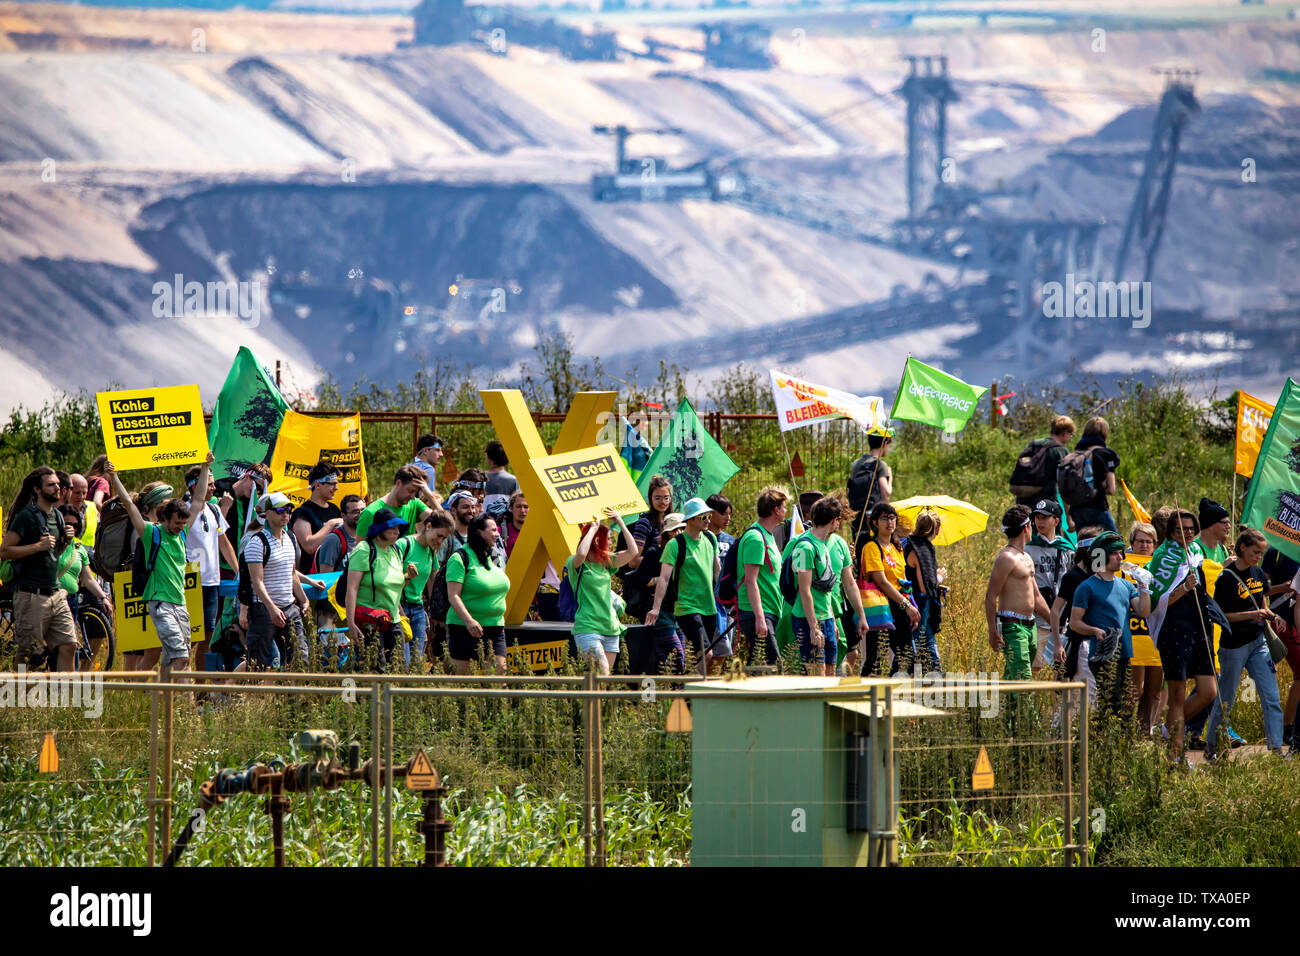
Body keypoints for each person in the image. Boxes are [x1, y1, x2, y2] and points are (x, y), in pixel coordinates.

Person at [107, 453, 216, 681]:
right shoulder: (151, 533)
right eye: (176, 524)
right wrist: (114, 477)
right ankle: (185, 708)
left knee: (169, 660)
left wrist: (206, 467)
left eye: (183, 524)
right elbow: (128, 504)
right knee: (181, 658)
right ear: (164, 518)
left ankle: (162, 705)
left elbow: (197, 501)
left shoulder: (182, 533)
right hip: (160, 604)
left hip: (181, 604)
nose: (180, 528)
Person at [1204, 529, 1287, 759]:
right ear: (1242, 548)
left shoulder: (1258, 573)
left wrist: (1273, 617)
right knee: (1226, 698)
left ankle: (1277, 749)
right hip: (1233, 646)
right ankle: (1212, 746)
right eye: (1255, 552)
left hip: (1258, 642)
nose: (1258, 556)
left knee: (1271, 695)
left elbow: (1264, 604)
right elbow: (1222, 615)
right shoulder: (1226, 578)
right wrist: (1251, 614)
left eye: (1261, 553)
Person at [1150, 509, 1219, 762]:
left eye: (1190, 528)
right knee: (1177, 695)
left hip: (1200, 629)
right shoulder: (1162, 557)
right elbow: (1156, 602)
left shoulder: (1197, 553)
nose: (1187, 533)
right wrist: (1183, 588)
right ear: (1171, 531)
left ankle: (1166, 730)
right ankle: (1174, 758)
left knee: (1208, 691)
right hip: (1174, 629)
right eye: (1181, 529)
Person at [1, 468, 76, 670]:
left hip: (56, 593)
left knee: (69, 645)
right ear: (37, 489)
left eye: (58, 485)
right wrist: (37, 546)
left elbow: (53, 555)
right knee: (28, 653)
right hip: (30, 595)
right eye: (51, 485)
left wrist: (66, 542)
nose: (58, 488)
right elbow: (5, 551)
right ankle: (18, 696)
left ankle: (67, 698)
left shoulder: (58, 516)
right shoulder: (26, 516)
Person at [1068, 531, 1150, 714]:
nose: (1120, 557)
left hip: (1125, 652)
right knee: (1109, 705)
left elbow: (1143, 611)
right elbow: (1074, 622)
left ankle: (1119, 741)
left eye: (1121, 553)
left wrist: (1144, 587)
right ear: (1101, 555)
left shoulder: (1126, 585)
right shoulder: (1086, 587)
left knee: (1126, 704)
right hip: (1102, 654)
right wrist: (1094, 630)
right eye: (1115, 553)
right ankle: (1101, 741)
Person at [790, 497, 867, 677]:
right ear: (834, 521)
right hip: (807, 619)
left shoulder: (826, 544)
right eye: (839, 518)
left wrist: (831, 618)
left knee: (831, 673)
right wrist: (813, 627)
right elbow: (805, 590)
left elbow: (828, 591)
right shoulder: (804, 547)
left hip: (827, 618)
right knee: (817, 675)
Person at [646, 497, 723, 673]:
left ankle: (689, 689)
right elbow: (664, 578)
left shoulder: (710, 538)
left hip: (709, 608)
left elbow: (717, 571)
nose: (709, 520)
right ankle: (688, 692)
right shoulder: (675, 545)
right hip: (686, 607)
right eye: (704, 517)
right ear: (692, 519)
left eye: (709, 515)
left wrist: (728, 601)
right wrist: (656, 608)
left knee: (707, 657)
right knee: (706, 654)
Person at [242, 492, 315, 670]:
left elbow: (291, 574)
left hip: (289, 608)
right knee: (258, 663)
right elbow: (256, 582)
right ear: (266, 514)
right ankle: (243, 695)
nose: (286, 514)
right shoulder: (256, 543)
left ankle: (293, 697)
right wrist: (272, 609)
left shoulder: (290, 538)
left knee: (300, 659)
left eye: (289, 509)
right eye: (280, 510)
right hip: (263, 610)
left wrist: (304, 599)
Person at [567, 508, 638, 675]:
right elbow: (582, 553)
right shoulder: (576, 562)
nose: (610, 542)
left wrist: (620, 522)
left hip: (610, 628)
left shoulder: (606, 562)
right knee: (602, 673)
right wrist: (593, 527)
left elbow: (633, 552)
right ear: (597, 540)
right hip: (588, 627)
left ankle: (589, 702)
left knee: (601, 684)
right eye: (607, 538)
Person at [984, 505, 1051, 681]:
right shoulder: (1006, 558)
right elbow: (991, 595)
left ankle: (1009, 708)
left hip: (1031, 625)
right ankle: (1027, 710)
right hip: (1013, 626)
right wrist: (992, 630)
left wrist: (1055, 623)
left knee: (1013, 679)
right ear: (1026, 528)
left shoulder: (1026, 557)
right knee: (1023, 678)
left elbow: (1037, 597)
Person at [183, 462, 237, 673]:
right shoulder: (186, 510)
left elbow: (224, 543)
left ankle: (200, 692)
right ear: (196, 486)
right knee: (190, 640)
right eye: (210, 484)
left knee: (207, 638)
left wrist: (237, 570)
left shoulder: (214, 509)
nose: (214, 488)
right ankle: (179, 685)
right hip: (192, 581)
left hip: (212, 581)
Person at [856, 502, 920, 676]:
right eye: (884, 518)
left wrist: (911, 605)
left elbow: (904, 580)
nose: (889, 522)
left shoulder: (897, 547)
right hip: (879, 605)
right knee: (874, 659)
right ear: (875, 522)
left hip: (899, 604)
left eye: (892, 518)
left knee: (906, 656)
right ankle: (865, 696)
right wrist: (906, 605)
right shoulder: (871, 547)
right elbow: (881, 581)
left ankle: (892, 692)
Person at [345, 507, 411, 668]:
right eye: (392, 528)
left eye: (398, 528)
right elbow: (351, 588)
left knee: (397, 666)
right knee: (374, 666)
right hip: (369, 620)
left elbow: (394, 587)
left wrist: (408, 577)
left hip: (393, 619)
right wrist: (351, 623)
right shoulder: (364, 550)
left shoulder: (396, 550)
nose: (397, 532)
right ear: (380, 528)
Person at [445, 513, 511, 674]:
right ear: (478, 532)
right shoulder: (459, 558)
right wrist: (469, 621)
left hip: (494, 627)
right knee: (462, 679)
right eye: (493, 530)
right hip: (464, 627)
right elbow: (453, 595)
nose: (497, 534)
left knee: (499, 673)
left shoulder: (491, 557)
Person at [54, 505, 113, 666]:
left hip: (71, 600)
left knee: (69, 645)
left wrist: (103, 598)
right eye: (66, 524)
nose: (70, 528)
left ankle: (69, 686)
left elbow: (88, 579)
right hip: (50, 598)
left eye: (74, 525)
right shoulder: (50, 544)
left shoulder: (79, 549)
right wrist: (64, 543)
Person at [738, 487, 788, 667]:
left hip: (769, 610)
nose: (786, 511)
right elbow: (750, 581)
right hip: (757, 612)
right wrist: (760, 618)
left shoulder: (768, 536)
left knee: (758, 666)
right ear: (775, 510)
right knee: (774, 667)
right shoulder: (756, 538)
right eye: (784, 507)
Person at [1122, 522, 1164, 733]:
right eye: (1140, 541)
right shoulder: (1124, 565)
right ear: (1132, 543)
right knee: (1133, 691)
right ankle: (1126, 733)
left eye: (1149, 541)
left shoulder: (1162, 566)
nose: (1145, 545)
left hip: (1156, 636)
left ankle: (1145, 732)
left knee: (1154, 691)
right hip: (1133, 636)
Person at [397, 509, 453, 668]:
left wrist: (434, 612)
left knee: (417, 661)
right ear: (428, 526)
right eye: (439, 535)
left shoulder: (431, 550)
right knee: (403, 660)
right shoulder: (404, 544)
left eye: (445, 538)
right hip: (398, 607)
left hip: (418, 609)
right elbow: (389, 580)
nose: (440, 541)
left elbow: (433, 582)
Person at [1026, 499, 1074, 667]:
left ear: (1056, 520)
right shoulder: (1028, 547)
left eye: (1045, 517)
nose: (1040, 521)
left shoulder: (1067, 548)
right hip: (1037, 619)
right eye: (1037, 517)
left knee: (1060, 671)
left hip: (1062, 619)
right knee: (1035, 667)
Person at [903, 509, 944, 675]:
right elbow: (924, 586)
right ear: (937, 531)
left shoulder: (907, 543)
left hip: (909, 603)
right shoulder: (922, 549)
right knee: (921, 647)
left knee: (923, 645)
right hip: (920, 606)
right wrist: (939, 578)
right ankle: (935, 679)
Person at [1067, 417, 1120, 533]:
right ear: (1104, 434)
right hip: (1097, 507)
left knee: (1085, 546)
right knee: (1114, 545)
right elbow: (1111, 489)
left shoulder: (1075, 456)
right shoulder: (1105, 454)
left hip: (1077, 510)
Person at [290, 462, 344, 573]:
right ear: (318, 485)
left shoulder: (334, 509)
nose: (336, 488)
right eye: (332, 484)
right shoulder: (302, 512)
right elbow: (309, 546)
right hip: (313, 576)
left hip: (335, 571)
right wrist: (330, 524)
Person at [1012, 415, 1075, 508]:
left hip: (1023, 499)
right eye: (1071, 434)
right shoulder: (1060, 450)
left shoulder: (1034, 444)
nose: (1070, 438)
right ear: (1065, 433)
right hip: (1045, 504)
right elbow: (1065, 484)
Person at [847, 425, 896, 539]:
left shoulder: (856, 463)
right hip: (872, 516)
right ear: (884, 444)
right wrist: (890, 477)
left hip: (856, 515)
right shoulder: (880, 465)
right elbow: (886, 494)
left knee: (858, 545)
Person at [357, 465, 430, 539]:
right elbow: (361, 549)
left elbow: (440, 522)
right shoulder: (370, 513)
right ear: (398, 483)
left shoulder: (414, 504)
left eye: (416, 492)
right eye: (411, 491)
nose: (413, 496)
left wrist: (429, 495)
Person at [624, 475, 672, 571]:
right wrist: (663, 556)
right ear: (650, 498)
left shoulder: (673, 521)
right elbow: (633, 562)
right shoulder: (644, 523)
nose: (662, 502)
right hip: (648, 581)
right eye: (657, 498)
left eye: (666, 498)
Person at [706, 493, 735, 635]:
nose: (728, 518)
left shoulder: (731, 541)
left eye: (730, 514)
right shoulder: (700, 538)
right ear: (710, 513)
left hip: (726, 598)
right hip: (706, 598)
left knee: (725, 645)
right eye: (723, 514)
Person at [315, 494, 363, 573]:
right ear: (343, 516)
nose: (361, 515)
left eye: (363, 510)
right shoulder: (333, 540)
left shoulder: (368, 536)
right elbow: (326, 577)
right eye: (355, 512)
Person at [438, 490, 477, 565]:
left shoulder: (476, 536)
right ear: (453, 510)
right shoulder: (446, 538)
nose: (471, 511)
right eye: (465, 507)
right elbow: (437, 569)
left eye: (473, 507)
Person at [1189, 497, 1231, 563]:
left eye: (1229, 523)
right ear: (1210, 525)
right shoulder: (1193, 549)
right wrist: (1224, 567)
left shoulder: (1222, 549)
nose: (1229, 526)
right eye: (1225, 523)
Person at [483, 440, 519, 513]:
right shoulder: (513, 480)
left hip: (481, 521)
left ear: (490, 459)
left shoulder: (480, 478)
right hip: (504, 522)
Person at [67, 475, 98, 553]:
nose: (81, 497)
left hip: (87, 559)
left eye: (84, 493)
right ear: (67, 491)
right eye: (77, 493)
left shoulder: (92, 508)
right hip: (66, 560)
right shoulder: (60, 509)